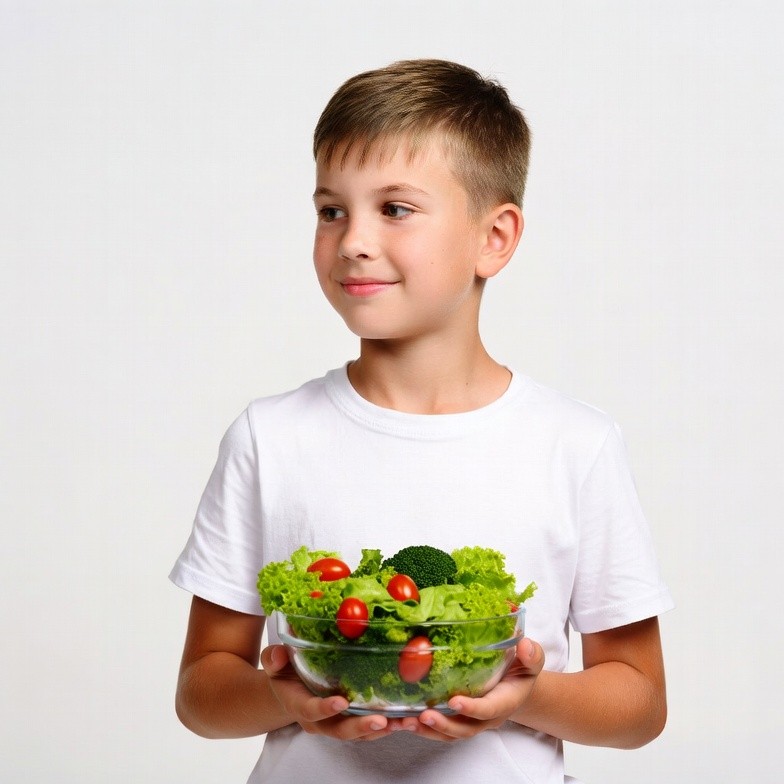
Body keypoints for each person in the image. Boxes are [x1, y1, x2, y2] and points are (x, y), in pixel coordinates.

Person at [169, 59, 674, 784]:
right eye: (331, 210)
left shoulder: (574, 445)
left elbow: (640, 702)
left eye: (395, 209)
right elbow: (201, 694)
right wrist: (286, 692)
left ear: (493, 239)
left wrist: (526, 695)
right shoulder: (271, 438)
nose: (352, 242)